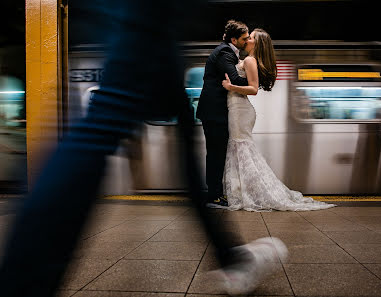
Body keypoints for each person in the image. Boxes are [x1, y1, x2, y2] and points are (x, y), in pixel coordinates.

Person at [0, 4, 287, 296]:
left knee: (166, 128)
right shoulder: (223, 53)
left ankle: (230, 256)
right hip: (145, 13)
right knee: (105, 120)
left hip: (143, 16)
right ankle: (21, 282)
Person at [221, 29, 335, 212]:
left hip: (240, 111)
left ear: (256, 44)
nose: (246, 39)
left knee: (241, 150)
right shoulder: (249, 59)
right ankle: (244, 191)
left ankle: (247, 192)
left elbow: (253, 88)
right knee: (241, 151)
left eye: (250, 38)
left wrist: (230, 86)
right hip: (239, 109)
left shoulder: (250, 60)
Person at [196, 20, 250, 208]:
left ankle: (216, 193)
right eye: (245, 38)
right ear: (234, 39)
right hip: (214, 111)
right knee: (216, 154)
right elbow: (234, 79)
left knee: (216, 153)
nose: (248, 40)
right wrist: (255, 82)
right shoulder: (225, 53)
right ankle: (214, 195)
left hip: (214, 111)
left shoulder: (227, 52)